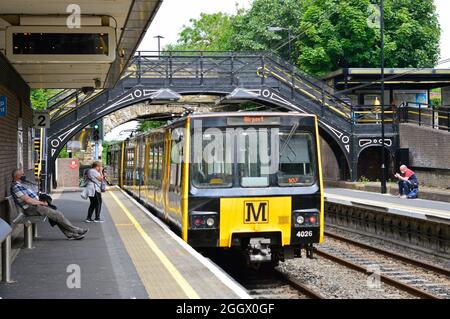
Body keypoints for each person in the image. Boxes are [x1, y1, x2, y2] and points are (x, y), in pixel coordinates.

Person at [11, 169, 88, 240]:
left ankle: (70, 234)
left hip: (35, 206)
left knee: (56, 215)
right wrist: (42, 203)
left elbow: (33, 195)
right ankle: (76, 230)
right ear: (17, 176)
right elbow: (28, 200)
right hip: (31, 208)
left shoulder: (21, 185)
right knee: (58, 214)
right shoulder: (16, 187)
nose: (24, 175)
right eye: (22, 174)